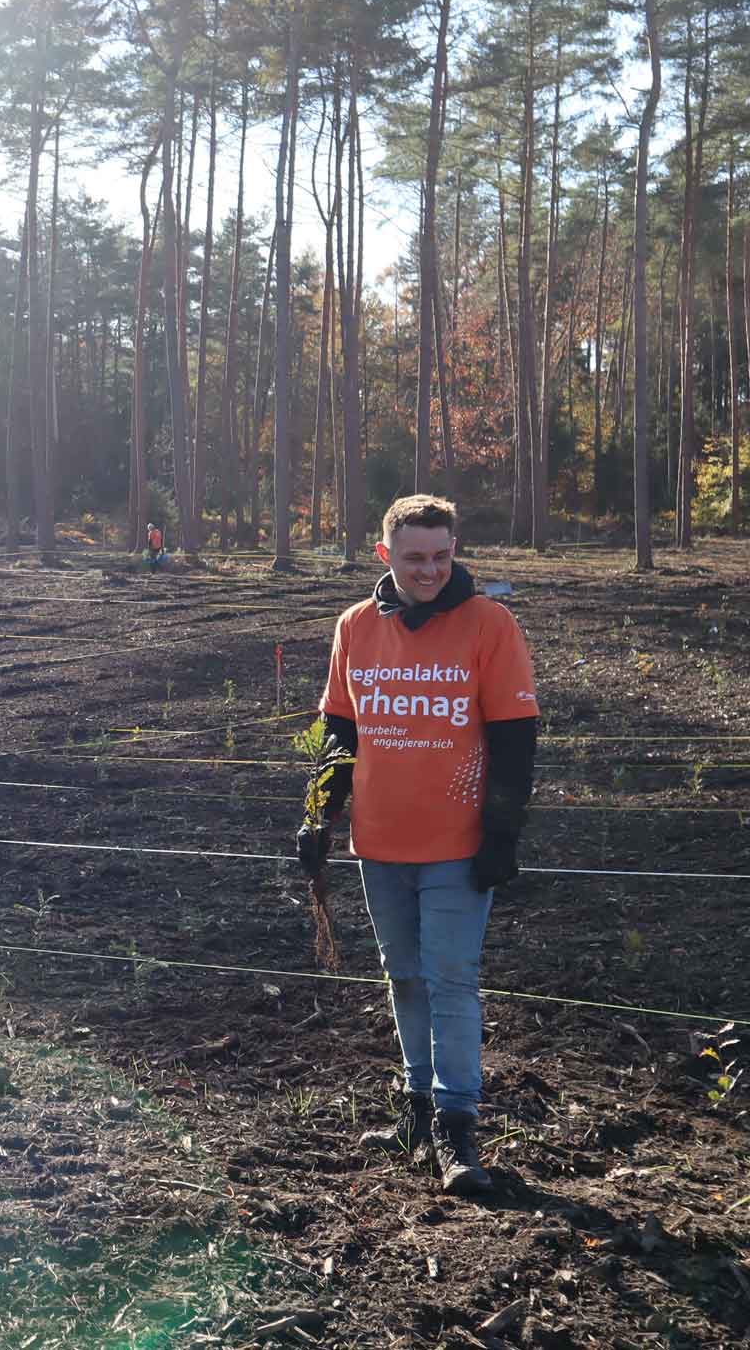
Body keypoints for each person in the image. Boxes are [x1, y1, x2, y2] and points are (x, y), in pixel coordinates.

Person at [296, 494, 538, 1198]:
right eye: (414, 557)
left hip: (459, 845)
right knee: (403, 975)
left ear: (454, 547)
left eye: (441, 554)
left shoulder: (490, 624)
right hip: (380, 842)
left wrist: (502, 832)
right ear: (385, 556)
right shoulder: (355, 627)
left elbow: (515, 740)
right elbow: (339, 732)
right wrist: (319, 815)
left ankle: (457, 1127)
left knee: (451, 978)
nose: (430, 569)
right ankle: (416, 1108)